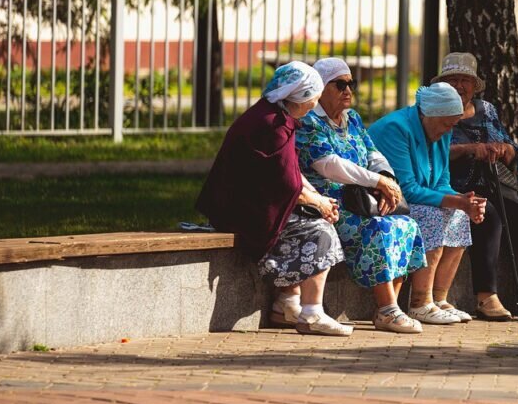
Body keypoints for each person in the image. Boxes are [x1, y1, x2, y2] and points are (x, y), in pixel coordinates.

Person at [195, 61, 353, 337]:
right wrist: (320, 204)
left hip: (249, 203)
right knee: (321, 230)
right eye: (313, 99)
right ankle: (312, 313)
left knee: (315, 216)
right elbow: (286, 184)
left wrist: (317, 197)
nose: (313, 105)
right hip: (241, 211)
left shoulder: (273, 115)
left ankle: (287, 304)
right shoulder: (271, 125)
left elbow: (289, 169)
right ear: (301, 97)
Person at [295, 58, 427, 334]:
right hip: (330, 201)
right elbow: (328, 164)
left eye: (350, 84)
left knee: (406, 224)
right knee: (377, 228)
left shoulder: (351, 118)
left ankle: (389, 309)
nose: (347, 91)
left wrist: (387, 180)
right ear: (320, 88)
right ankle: (388, 309)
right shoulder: (308, 120)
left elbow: (372, 153)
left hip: (364, 197)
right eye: (339, 84)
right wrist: (376, 181)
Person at [433, 52, 518, 320]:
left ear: (474, 85)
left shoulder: (485, 109)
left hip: (493, 181)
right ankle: (486, 296)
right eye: (452, 79)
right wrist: (469, 150)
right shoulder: (433, 110)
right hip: (453, 185)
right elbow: (431, 152)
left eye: (465, 80)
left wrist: (504, 150)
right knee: (487, 216)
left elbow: (511, 149)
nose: (459, 85)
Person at [368, 82, 487, 325]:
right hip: (385, 201)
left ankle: (438, 299)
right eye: (446, 124)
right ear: (429, 115)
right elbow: (407, 189)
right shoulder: (397, 128)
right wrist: (457, 201)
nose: (448, 131)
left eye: (452, 125)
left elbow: (442, 181)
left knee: (458, 215)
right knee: (431, 216)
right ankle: (420, 303)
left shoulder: (441, 129)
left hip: (414, 198)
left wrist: (465, 202)